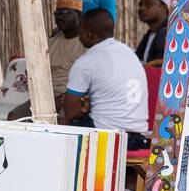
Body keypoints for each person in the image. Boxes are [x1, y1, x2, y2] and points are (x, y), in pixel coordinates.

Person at [62, 9, 149, 149]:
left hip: (106, 137)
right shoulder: (129, 53)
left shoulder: (86, 62)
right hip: (138, 137)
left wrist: (84, 109)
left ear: (89, 34)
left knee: (61, 126)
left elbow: (71, 113)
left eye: (80, 32)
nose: (78, 37)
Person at [135, 0, 172, 66]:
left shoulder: (166, 33)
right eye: (140, 5)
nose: (141, 8)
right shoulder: (151, 34)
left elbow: (159, 67)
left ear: (163, 8)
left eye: (148, 4)